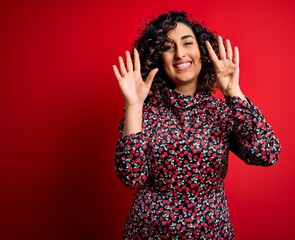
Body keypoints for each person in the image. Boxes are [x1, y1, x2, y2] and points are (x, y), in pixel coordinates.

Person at [113, 11, 281, 239]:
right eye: (168, 46)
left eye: (187, 43)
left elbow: (266, 153)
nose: (180, 53)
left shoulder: (222, 111)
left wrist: (233, 91)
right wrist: (134, 105)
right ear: (157, 58)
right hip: (149, 231)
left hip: (211, 232)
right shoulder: (145, 111)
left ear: (202, 51)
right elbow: (131, 176)